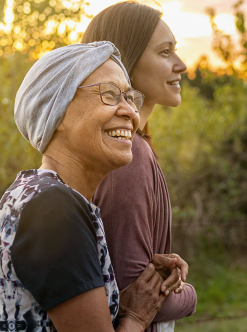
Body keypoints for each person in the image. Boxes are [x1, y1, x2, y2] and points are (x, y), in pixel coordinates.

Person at [0, 41, 185, 332]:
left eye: (130, 97)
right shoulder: (56, 210)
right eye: (110, 95)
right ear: (58, 110)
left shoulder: (28, 190)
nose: (130, 112)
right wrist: (136, 317)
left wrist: (128, 298)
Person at [82, 2, 196, 331]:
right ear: (124, 61)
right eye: (165, 52)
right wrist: (189, 295)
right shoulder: (128, 155)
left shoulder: (131, 147)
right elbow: (129, 295)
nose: (182, 65)